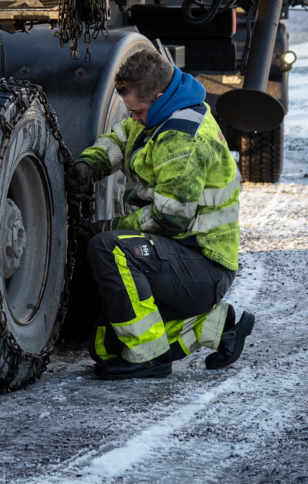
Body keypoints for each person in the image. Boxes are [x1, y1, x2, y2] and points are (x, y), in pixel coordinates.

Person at [65, 49, 254, 380]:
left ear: (159, 96)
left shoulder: (182, 139)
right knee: (105, 347)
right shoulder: (159, 113)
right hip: (180, 257)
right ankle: (216, 326)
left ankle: (148, 357)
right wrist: (88, 166)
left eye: (137, 111)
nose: (133, 118)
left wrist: (105, 227)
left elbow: (170, 219)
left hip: (202, 264)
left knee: (108, 247)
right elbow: (121, 139)